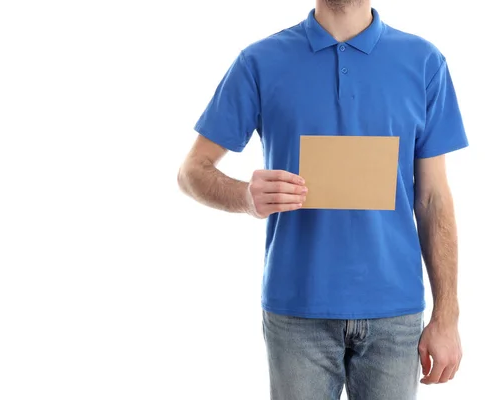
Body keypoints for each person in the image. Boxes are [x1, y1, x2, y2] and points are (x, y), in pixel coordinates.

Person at [177, 0, 468, 399]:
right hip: (296, 309)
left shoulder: (424, 62)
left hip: (395, 312)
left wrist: (447, 315)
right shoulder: (260, 61)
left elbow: (434, 199)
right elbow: (192, 171)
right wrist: (245, 196)